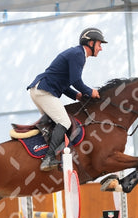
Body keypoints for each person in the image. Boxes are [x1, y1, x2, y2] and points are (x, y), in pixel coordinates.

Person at [27, 27, 107, 171]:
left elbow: (65, 82)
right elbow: (76, 80)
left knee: (52, 124)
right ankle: (48, 159)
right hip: (44, 91)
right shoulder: (78, 54)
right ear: (90, 43)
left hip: (39, 90)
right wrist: (90, 91)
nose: (101, 48)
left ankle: (45, 153)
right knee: (64, 121)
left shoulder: (76, 53)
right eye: (99, 44)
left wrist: (76, 95)